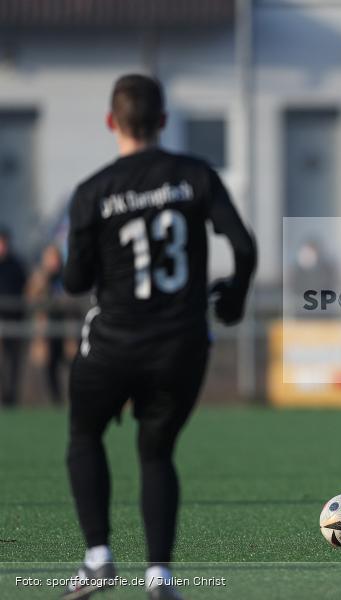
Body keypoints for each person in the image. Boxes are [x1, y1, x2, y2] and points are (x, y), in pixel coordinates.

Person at [60, 74, 256, 599]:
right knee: (156, 452)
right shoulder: (194, 176)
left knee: (84, 435)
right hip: (180, 344)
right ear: (164, 120)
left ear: (111, 122)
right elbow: (243, 243)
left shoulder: (92, 191)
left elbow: (75, 281)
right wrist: (233, 298)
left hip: (113, 343)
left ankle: (98, 558)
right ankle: (160, 576)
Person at [26, 244, 70, 405]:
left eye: (55, 258)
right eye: (50, 258)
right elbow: (32, 299)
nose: (53, 262)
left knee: (68, 367)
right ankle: (52, 401)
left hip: (65, 332)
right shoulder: (39, 278)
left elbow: (72, 300)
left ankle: (68, 401)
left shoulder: (66, 278)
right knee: (47, 369)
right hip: (45, 333)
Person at [0, 227, 27, 408]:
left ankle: (11, 398)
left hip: (14, 321)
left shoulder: (16, 265)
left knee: (13, 362)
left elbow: (26, 292)